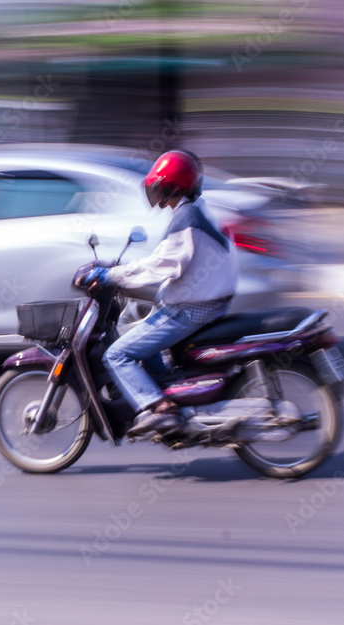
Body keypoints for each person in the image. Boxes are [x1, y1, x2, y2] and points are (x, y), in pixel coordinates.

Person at [85, 150, 238, 439]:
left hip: (192, 308)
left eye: (160, 188)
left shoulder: (186, 218)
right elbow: (169, 262)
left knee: (117, 354)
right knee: (136, 329)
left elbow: (161, 265)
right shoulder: (193, 211)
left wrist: (112, 275)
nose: (157, 196)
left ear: (172, 187)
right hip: (205, 301)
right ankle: (165, 387)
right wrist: (124, 273)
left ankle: (161, 408)